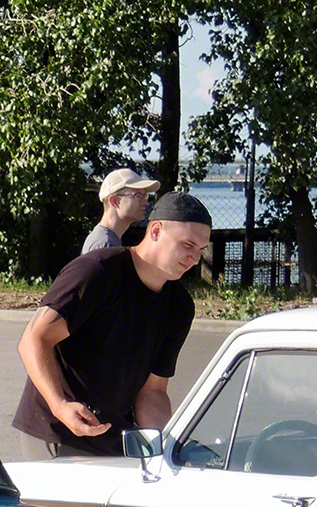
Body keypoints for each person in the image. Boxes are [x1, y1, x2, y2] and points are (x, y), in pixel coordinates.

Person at [13, 191, 213, 458]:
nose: (195, 259)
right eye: (187, 245)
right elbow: (34, 339)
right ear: (155, 231)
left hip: (114, 438)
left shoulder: (179, 306)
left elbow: (152, 392)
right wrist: (60, 405)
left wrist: (167, 445)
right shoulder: (97, 271)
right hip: (55, 431)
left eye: (200, 250)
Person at [81, 168, 160, 254]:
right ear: (114, 201)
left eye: (145, 196)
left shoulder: (107, 239)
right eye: (138, 195)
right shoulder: (106, 245)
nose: (146, 203)